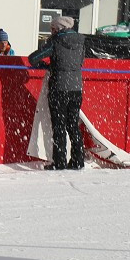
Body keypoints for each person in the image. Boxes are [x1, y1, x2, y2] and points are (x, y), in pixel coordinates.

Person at [27, 15, 85, 171]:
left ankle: (60, 162)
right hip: (76, 88)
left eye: (52, 28)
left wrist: (46, 66)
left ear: (58, 28)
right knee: (73, 125)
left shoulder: (55, 41)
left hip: (59, 87)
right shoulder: (81, 41)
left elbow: (33, 58)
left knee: (59, 126)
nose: (51, 31)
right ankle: (78, 160)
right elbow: (80, 63)